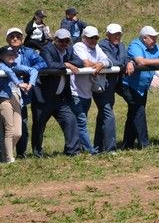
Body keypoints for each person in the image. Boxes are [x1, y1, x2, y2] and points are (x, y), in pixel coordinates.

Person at [32, 29, 84, 157]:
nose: (64, 43)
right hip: (43, 97)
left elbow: (80, 62)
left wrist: (67, 63)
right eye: (61, 40)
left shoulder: (70, 50)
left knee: (70, 120)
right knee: (39, 125)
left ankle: (73, 151)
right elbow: (49, 64)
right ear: (55, 40)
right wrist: (66, 64)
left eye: (67, 41)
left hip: (60, 97)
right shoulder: (46, 49)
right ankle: (37, 153)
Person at [122, 26, 159, 150]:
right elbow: (140, 62)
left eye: (156, 37)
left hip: (142, 87)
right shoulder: (135, 45)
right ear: (144, 38)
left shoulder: (154, 47)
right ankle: (144, 144)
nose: (155, 40)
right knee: (139, 111)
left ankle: (127, 144)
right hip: (129, 85)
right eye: (152, 37)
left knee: (133, 113)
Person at [6, 28, 46, 158]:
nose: (15, 38)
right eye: (12, 36)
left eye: (18, 36)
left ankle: (20, 153)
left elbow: (42, 63)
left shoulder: (29, 52)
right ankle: (6, 153)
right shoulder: (3, 52)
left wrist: (30, 70)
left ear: (22, 39)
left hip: (22, 93)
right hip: (5, 93)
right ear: (7, 39)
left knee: (22, 123)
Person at [70, 26, 109, 155]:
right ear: (83, 38)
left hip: (87, 92)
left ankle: (78, 148)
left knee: (81, 120)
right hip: (76, 91)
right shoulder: (79, 46)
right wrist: (98, 64)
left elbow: (107, 60)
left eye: (95, 38)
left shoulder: (97, 48)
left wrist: (102, 64)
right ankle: (90, 150)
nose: (93, 40)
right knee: (81, 121)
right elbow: (85, 63)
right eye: (90, 38)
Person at [95, 23, 131, 153]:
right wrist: (125, 63)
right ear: (107, 35)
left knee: (103, 116)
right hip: (103, 86)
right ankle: (110, 149)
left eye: (119, 34)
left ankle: (98, 146)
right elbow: (112, 62)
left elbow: (125, 58)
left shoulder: (121, 45)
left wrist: (129, 62)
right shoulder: (102, 46)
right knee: (108, 115)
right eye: (114, 34)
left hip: (115, 84)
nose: (117, 36)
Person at [0, 45, 37, 163]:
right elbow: (8, 71)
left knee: (18, 133)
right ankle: (9, 159)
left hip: (16, 98)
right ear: (1, 56)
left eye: (13, 55)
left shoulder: (15, 65)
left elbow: (34, 70)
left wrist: (30, 83)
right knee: (9, 129)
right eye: (8, 54)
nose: (12, 57)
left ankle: (5, 154)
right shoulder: (1, 65)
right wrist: (19, 83)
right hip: (4, 99)